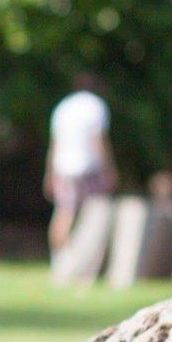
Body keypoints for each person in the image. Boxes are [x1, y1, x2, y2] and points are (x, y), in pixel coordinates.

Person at [45, 75, 115, 255]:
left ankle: (58, 258)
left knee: (63, 213)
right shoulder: (95, 106)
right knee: (91, 217)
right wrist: (108, 169)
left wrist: (49, 174)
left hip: (63, 168)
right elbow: (98, 140)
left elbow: (54, 144)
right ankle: (84, 261)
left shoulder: (64, 107)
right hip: (87, 169)